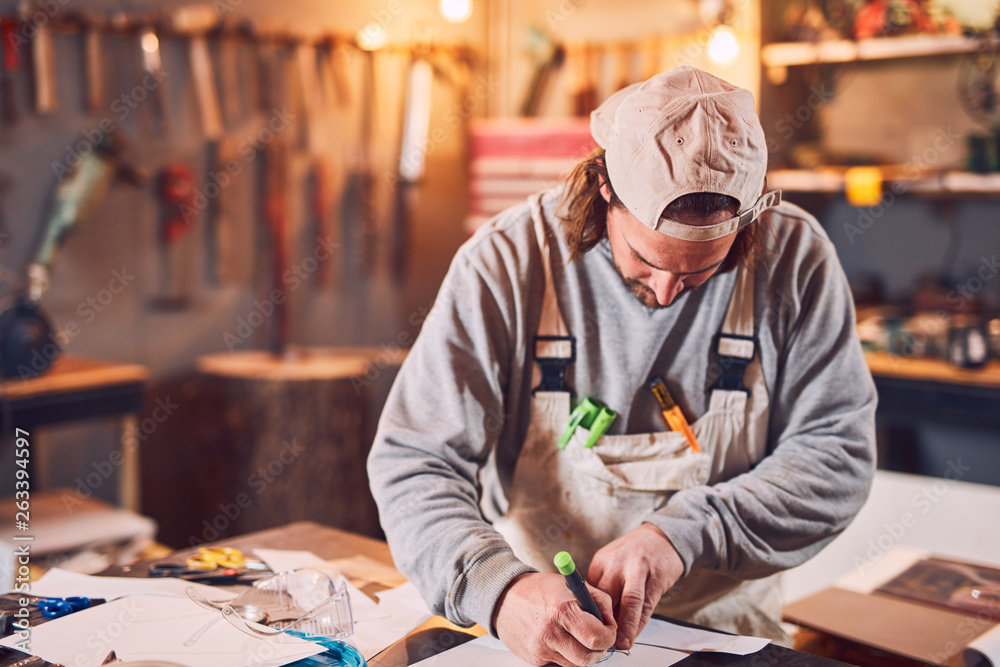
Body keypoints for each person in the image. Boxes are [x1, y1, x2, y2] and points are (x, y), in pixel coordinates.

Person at [367, 65, 876, 667]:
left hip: (724, 634)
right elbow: (416, 460)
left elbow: (836, 454)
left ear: (749, 221)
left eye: (698, 270)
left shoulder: (796, 259)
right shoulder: (507, 263)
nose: (665, 292)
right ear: (603, 186)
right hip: (538, 630)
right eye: (644, 259)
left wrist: (685, 532)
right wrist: (498, 589)